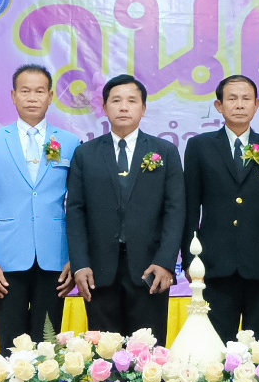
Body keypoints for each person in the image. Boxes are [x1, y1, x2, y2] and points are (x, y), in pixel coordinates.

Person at [66, 75, 185, 342]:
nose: (123, 107)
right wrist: (80, 264)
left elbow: (175, 210)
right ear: (104, 107)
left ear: (143, 108)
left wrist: (165, 262)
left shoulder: (164, 151)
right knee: (103, 354)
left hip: (150, 270)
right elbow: (75, 212)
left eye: (131, 101)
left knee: (149, 353)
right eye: (116, 100)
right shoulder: (86, 154)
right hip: (98, 272)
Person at [0, 65, 76, 348]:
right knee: (11, 346)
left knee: (47, 346)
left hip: (55, 258)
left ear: (50, 96)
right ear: (13, 95)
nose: (32, 97)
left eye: (39, 91)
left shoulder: (69, 142)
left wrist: (74, 258)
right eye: (25, 91)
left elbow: (77, 207)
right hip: (5, 260)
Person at [181, 74, 259, 337]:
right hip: (214, 266)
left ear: (257, 105)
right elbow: (190, 209)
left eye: (246, 99)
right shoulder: (199, 147)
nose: (240, 105)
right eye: (232, 99)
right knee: (216, 346)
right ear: (219, 106)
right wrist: (189, 259)